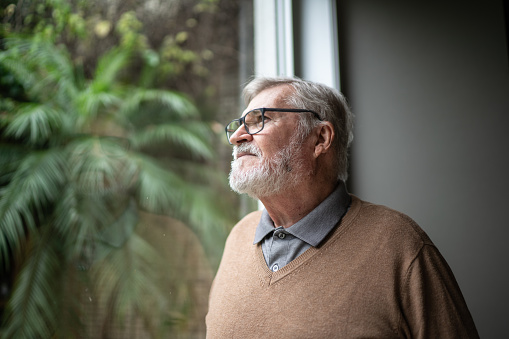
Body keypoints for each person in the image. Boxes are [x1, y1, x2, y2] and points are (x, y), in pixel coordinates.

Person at [206, 76, 479, 338]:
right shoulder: (238, 237)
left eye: (259, 120)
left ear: (321, 139)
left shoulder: (400, 244)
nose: (237, 137)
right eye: (239, 124)